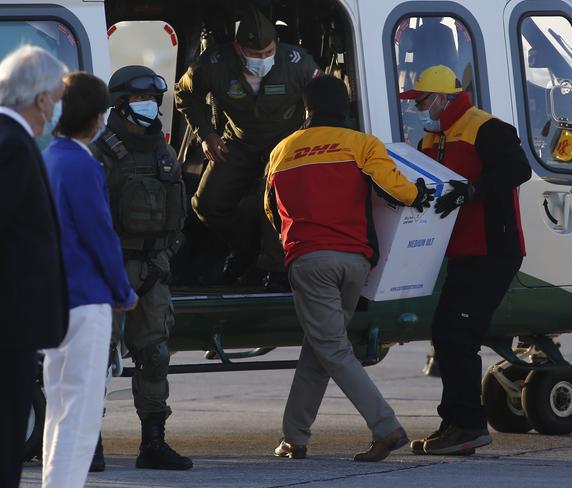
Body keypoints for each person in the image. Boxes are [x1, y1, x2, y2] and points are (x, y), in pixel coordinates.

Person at [265, 75, 434, 462]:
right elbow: (399, 190)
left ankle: (386, 427)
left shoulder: (282, 152)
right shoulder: (362, 144)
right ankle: (294, 436)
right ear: (345, 108)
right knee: (320, 347)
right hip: (355, 264)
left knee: (331, 347)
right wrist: (418, 192)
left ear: (306, 109)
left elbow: (271, 211)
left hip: (310, 261)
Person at [399, 65, 531, 455]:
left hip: (493, 249)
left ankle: (470, 427)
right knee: (446, 334)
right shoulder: (430, 137)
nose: (419, 107)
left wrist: (471, 190)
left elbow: (517, 169)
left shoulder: (487, 128)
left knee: (456, 335)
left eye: (422, 99)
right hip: (460, 250)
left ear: (443, 97)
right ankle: (456, 422)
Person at [175, 7, 321, 289]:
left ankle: (271, 270)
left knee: (275, 208)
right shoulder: (215, 64)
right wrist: (205, 134)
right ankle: (243, 250)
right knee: (206, 204)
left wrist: (307, 138)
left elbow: (325, 97)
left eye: (268, 52)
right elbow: (184, 93)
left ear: (276, 45)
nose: (262, 59)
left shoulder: (297, 63)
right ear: (237, 48)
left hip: (284, 146)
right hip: (237, 143)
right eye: (254, 55)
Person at [91, 65, 191, 470]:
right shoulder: (100, 152)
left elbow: (177, 218)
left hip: (152, 271)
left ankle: (153, 442)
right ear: (120, 105)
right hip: (107, 270)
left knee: (155, 355)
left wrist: (161, 262)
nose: (149, 107)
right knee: (95, 359)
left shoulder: (165, 153)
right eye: (138, 100)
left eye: (152, 100)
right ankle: (88, 442)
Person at [41, 72, 138, 487]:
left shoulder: (48, 158)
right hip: (87, 298)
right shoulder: (83, 163)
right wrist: (123, 290)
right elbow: (101, 234)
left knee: (58, 404)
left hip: (54, 299)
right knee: (80, 414)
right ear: (98, 118)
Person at [0, 45, 69, 488]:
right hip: (9, 325)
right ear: (41, 97)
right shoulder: (12, 145)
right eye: (58, 95)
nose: (59, 105)